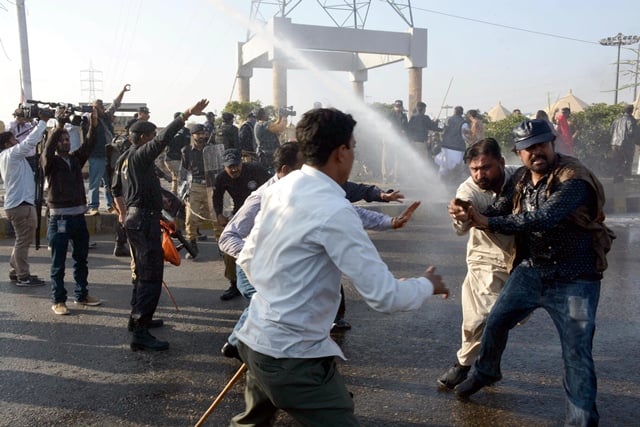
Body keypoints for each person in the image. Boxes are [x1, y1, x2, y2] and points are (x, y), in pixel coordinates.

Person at [230, 108, 448, 426]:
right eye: (353, 146)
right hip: (292, 357)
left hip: (255, 340)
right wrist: (427, 284)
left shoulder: (278, 189)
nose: (354, 154)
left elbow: (247, 258)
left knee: (252, 423)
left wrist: (275, 300)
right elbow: (384, 297)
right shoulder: (335, 209)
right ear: (342, 151)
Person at [452, 119, 614, 427]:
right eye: (528, 148)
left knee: (576, 352)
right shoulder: (522, 179)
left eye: (541, 144)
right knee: (495, 322)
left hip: (575, 279)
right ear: (518, 152)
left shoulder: (573, 178)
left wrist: (487, 222)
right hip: (531, 271)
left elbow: (543, 217)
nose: (536, 151)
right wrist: (469, 212)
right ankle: (486, 371)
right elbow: (500, 209)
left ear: (552, 143)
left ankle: (581, 421)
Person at [218, 142, 418, 359]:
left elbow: (347, 209)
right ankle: (243, 345)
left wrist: (390, 222)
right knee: (272, 303)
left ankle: (245, 347)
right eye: (304, 167)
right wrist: (258, 256)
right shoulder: (261, 197)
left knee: (305, 303)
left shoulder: (309, 190)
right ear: (286, 171)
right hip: (254, 269)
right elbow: (228, 237)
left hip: (290, 267)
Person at [114, 98, 209, 351]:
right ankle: (140, 332)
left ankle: (137, 322)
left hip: (139, 219)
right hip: (142, 221)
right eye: (151, 136)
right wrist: (185, 114)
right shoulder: (140, 155)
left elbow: (117, 189)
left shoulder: (125, 158)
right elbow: (163, 139)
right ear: (144, 138)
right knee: (150, 277)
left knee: (143, 274)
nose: (155, 141)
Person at [437, 138, 516, 389]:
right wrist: (461, 215)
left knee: (506, 315)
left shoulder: (519, 178)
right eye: (474, 169)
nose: (480, 174)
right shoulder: (468, 191)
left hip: (523, 256)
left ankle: (488, 364)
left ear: (501, 163)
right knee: (481, 316)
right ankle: (464, 365)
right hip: (486, 258)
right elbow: (460, 226)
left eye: (486, 167)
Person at [43, 108, 102, 315]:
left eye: (67, 139)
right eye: (61, 140)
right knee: (58, 263)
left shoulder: (76, 160)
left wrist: (93, 126)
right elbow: (47, 151)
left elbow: (89, 145)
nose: (65, 142)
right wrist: (58, 127)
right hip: (59, 218)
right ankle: (58, 300)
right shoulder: (50, 163)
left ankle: (82, 294)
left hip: (78, 217)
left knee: (81, 259)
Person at [213, 148, 270, 300]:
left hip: (263, 211)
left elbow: (274, 186)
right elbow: (217, 197)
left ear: (241, 162)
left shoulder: (256, 170)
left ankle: (266, 282)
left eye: (236, 165)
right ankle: (234, 284)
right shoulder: (221, 178)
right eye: (230, 166)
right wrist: (219, 214)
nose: (234, 169)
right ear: (224, 167)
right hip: (240, 215)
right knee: (230, 249)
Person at [0, 111, 49, 286]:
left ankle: (16, 269)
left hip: (20, 203)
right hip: (21, 204)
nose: (17, 141)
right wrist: (43, 123)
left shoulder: (8, 157)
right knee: (23, 240)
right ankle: (23, 276)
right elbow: (29, 142)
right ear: (7, 143)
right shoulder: (11, 154)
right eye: (14, 139)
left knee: (22, 239)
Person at [87, 84, 129, 215]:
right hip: (96, 154)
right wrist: (92, 113)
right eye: (96, 106)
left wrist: (122, 91)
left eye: (100, 106)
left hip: (109, 155)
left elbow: (115, 104)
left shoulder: (106, 117)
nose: (100, 108)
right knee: (95, 182)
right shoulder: (90, 120)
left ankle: (111, 205)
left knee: (110, 183)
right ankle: (93, 206)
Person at [180, 123, 214, 258]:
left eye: (203, 133)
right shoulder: (186, 150)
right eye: (198, 133)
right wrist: (183, 191)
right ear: (192, 135)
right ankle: (192, 245)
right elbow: (183, 172)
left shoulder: (211, 150)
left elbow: (218, 169)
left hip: (210, 186)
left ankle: (223, 249)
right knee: (190, 218)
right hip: (194, 186)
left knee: (215, 218)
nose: (201, 136)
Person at [435, 106, 467, 179]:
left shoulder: (447, 119)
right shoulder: (464, 122)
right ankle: (453, 182)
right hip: (458, 147)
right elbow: (464, 136)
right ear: (462, 113)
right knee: (456, 166)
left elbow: (441, 128)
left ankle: (441, 180)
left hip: (446, 145)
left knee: (444, 165)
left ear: (454, 112)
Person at [164, 112, 191, 195]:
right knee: (181, 178)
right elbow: (187, 146)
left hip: (168, 158)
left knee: (175, 176)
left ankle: (174, 193)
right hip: (177, 158)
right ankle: (180, 197)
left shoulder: (168, 129)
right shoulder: (186, 131)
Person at [382, 99, 409, 182]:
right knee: (386, 157)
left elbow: (406, 127)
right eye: (396, 107)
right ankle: (385, 177)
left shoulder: (404, 116)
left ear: (402, 107)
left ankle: (396, 177)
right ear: (394, 107)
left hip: (399, 140)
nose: (398, 108)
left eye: (399, 107)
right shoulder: (389, 115)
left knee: (398, 158)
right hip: (388, 138)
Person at [610, 104, 638, 183]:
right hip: (625, 144)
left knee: (617, 161)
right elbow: (633, 133)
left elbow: (611, 131)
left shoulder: (616, 120)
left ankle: (617, 178)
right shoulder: (631, 121)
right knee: (626, 161)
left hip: (614, 143)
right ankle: (622, 178)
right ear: (631, 111)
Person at [254, 107, 286, 173]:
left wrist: (279, 118)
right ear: (263, 115)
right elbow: (280, 128)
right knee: (272, 172)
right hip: (269, 154)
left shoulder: (258, 124)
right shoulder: (265, 124)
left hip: (263, 153)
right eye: (266, 113)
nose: (267, 115)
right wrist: (284, 118)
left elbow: (274, 125)